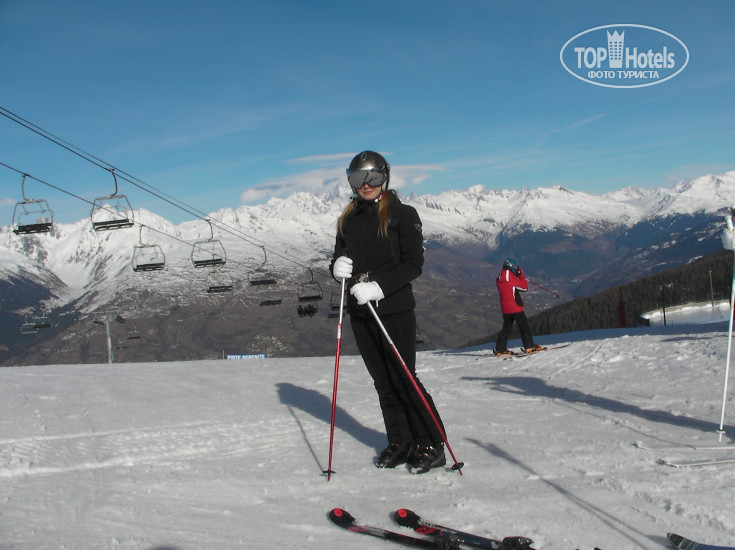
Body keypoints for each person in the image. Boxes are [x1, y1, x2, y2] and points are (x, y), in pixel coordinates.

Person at [330, 150, 447, 474]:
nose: (366, 184)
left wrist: (380, 287)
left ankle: (431, 443)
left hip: (393, 309)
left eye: (373, 177)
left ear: (385, 178)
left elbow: (413, 264)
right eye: (357, 178)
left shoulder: (402, 214)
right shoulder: (348, 220)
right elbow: (339, 259)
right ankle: (401, 441)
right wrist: (335, 269)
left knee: (404, 378)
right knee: (383, 381)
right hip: (360, 311)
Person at [494, 258, 544, 356]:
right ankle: (529, 346)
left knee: (506, 329)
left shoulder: (499, 279)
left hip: (505, 309)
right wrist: (521, 275)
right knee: (523, 327)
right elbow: (524, 288)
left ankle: (500, 349)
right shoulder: (512, 279)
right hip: (516, 307)